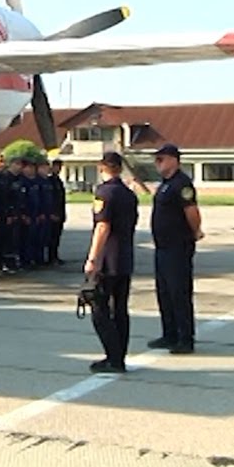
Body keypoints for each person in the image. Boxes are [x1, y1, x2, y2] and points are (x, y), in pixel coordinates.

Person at [84, 151, 138, 373]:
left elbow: (102, 226)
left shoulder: (104, 193)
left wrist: (93, 258)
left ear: (101, 167)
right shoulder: (128, 194)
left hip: (107, 259)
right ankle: (120, 356)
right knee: (121, 310)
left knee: (99, 309)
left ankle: (113, 356)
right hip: (124, 257)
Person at [148, 143, 203, 354]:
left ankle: (185, 338)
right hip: (162, 247)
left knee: (179, 293)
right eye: (156, 159)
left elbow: (192, 211)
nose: (157, 163)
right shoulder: (165, 184)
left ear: (173, 160)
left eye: (161, 159)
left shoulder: (182, 184)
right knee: (164, 292)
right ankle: (169, 334)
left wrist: (196, 232)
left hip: (177, 247)